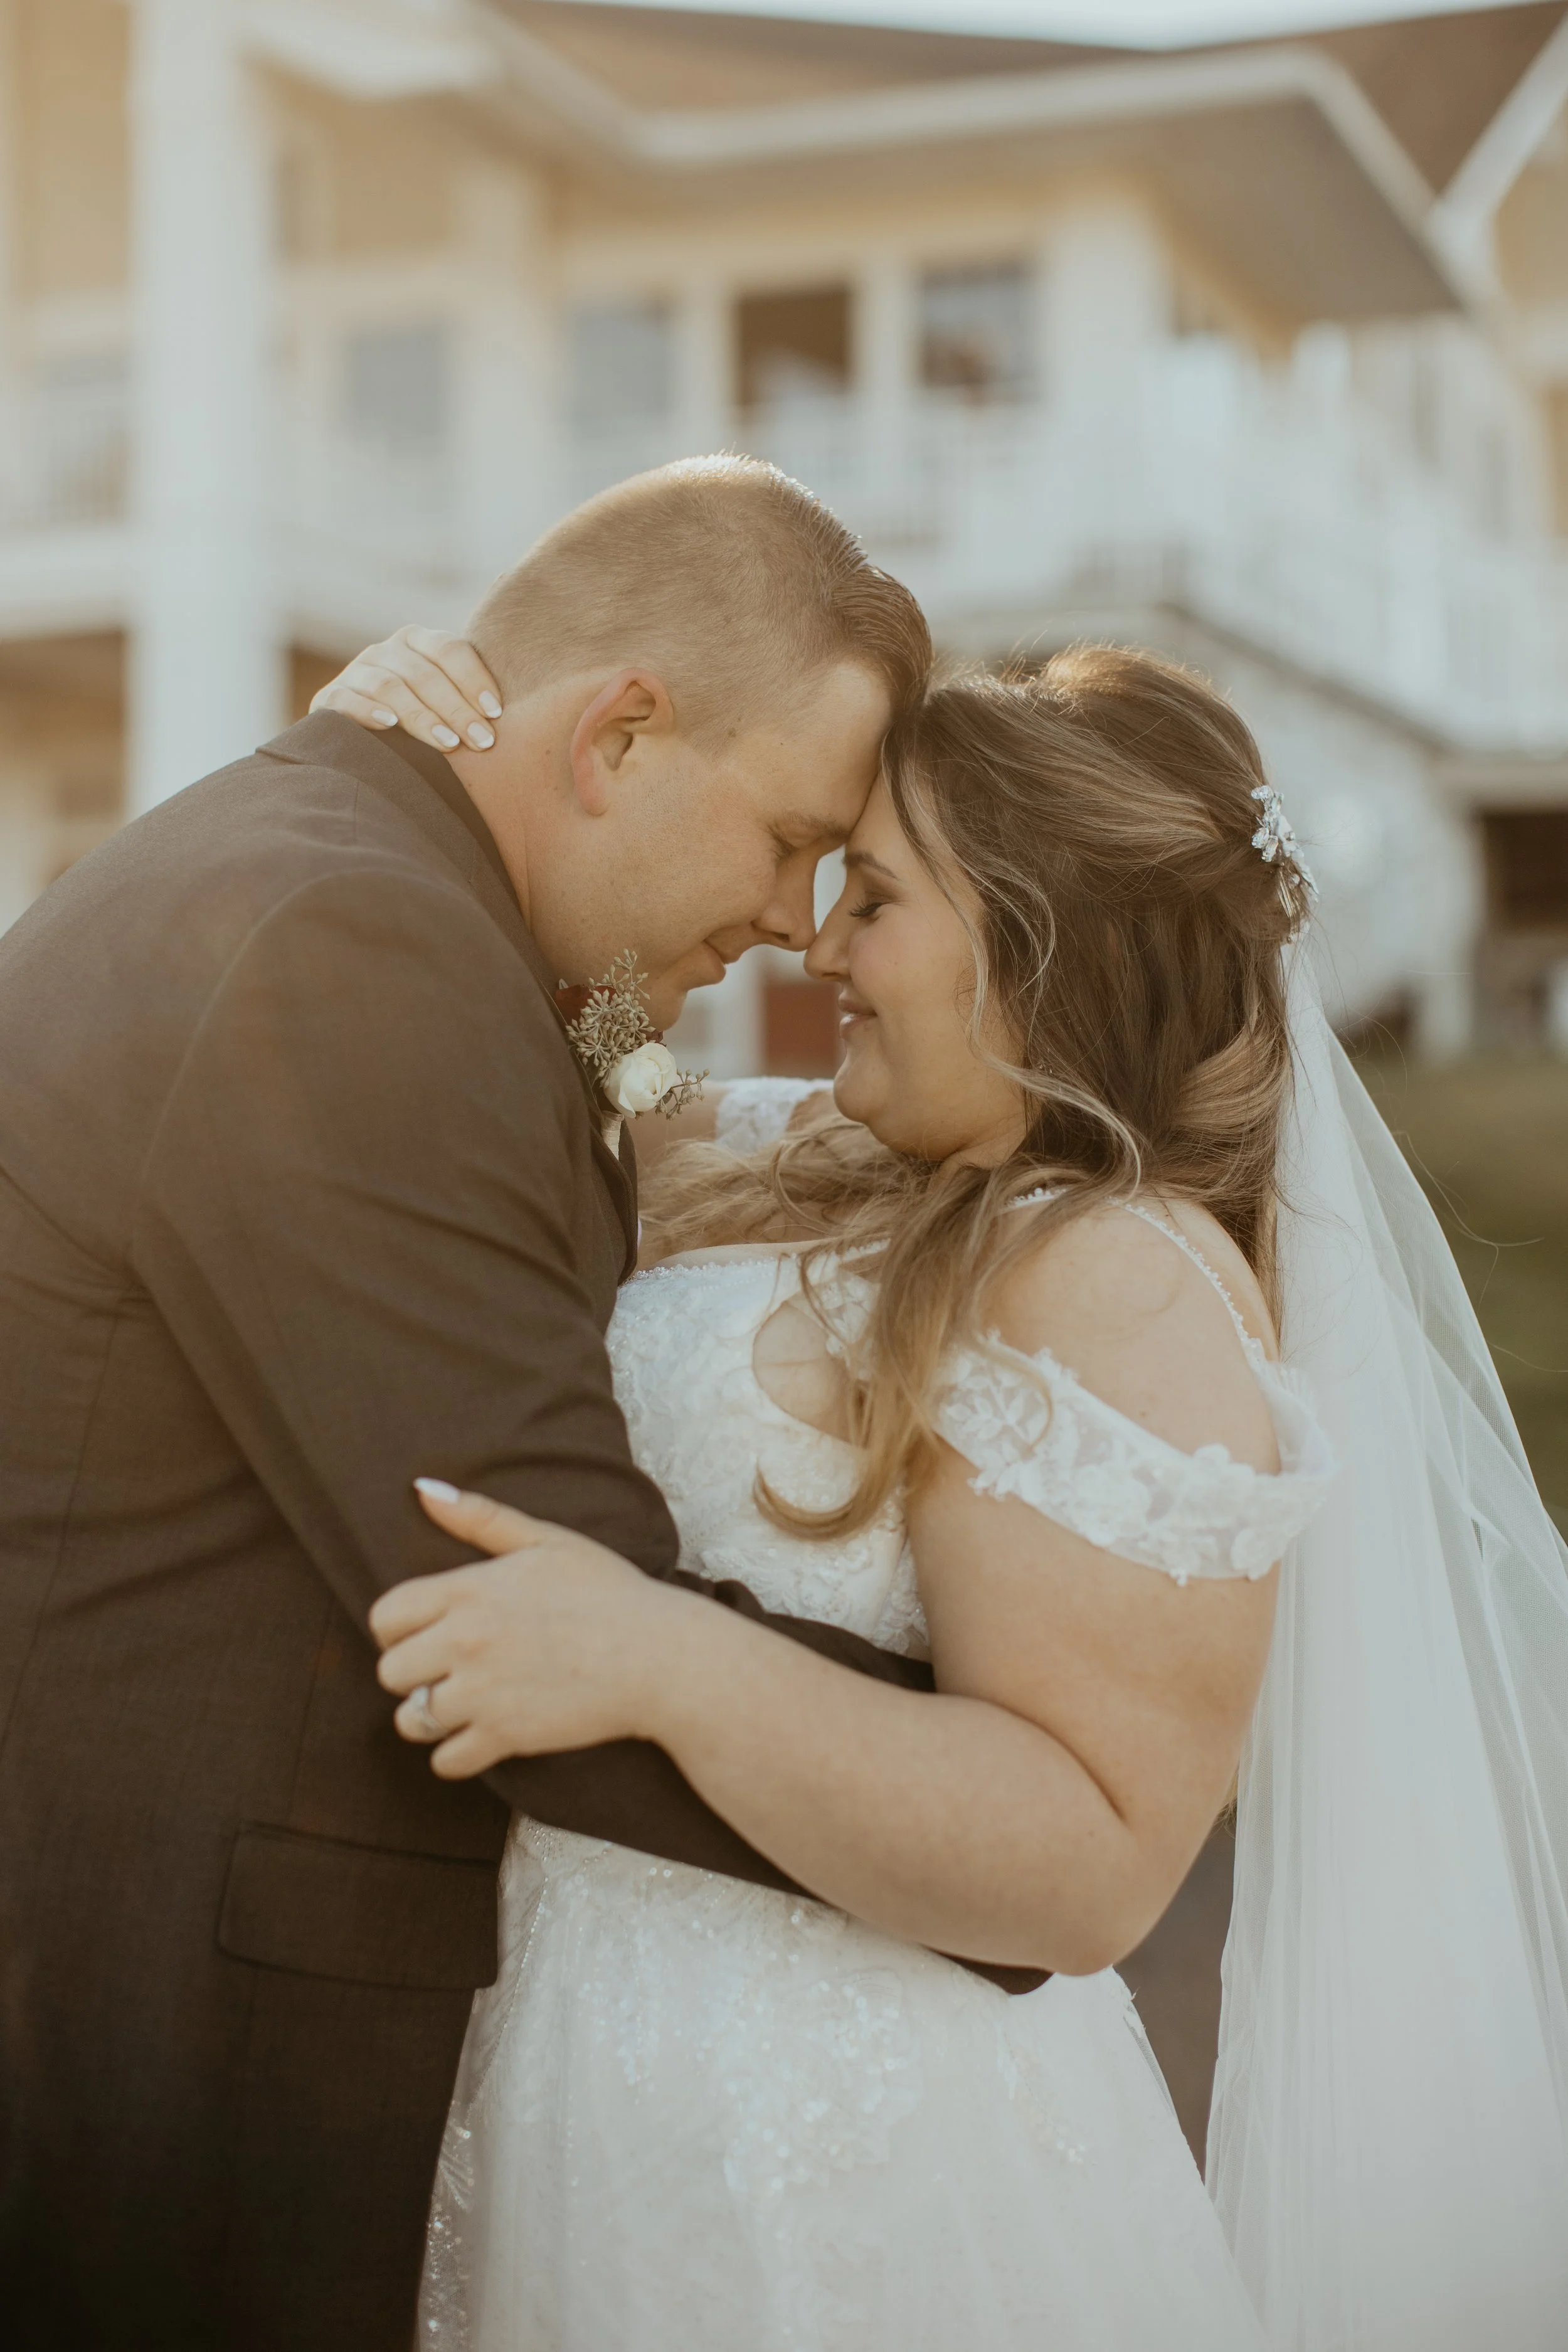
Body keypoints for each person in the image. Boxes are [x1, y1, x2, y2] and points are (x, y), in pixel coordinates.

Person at [350, 638, 1568, 2348]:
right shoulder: (875, 1166)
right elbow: (620, 1096)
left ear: (1030, 939)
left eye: (878, 898)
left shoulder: (1121, 1275)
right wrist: (439, 787)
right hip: (601, 2075)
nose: (817, 941)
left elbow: (1089, 1862)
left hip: (840, 2180)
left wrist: (649, 1656)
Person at [0, 458, 970, 2351]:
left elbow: (606, 1082)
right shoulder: (352, 951)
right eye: (788, 839)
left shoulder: (367, 881)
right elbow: (534, 1607)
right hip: (152, 2052)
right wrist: (1010, 1795)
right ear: (620, 729)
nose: (793, 919)